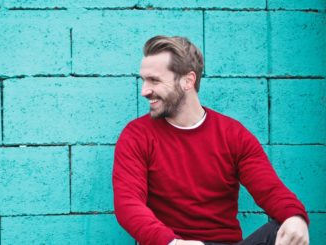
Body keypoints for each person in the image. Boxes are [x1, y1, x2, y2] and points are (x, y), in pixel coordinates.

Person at [112, 35, 310, 245]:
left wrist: (295, 218)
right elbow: (128, 204)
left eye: (154, 80)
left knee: (284, 229)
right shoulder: (137, 135)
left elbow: (270, 189)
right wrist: (173, 243)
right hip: (173, 243)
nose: (144, 91)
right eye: (144, 80)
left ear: (188, 81)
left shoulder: (232, 134)